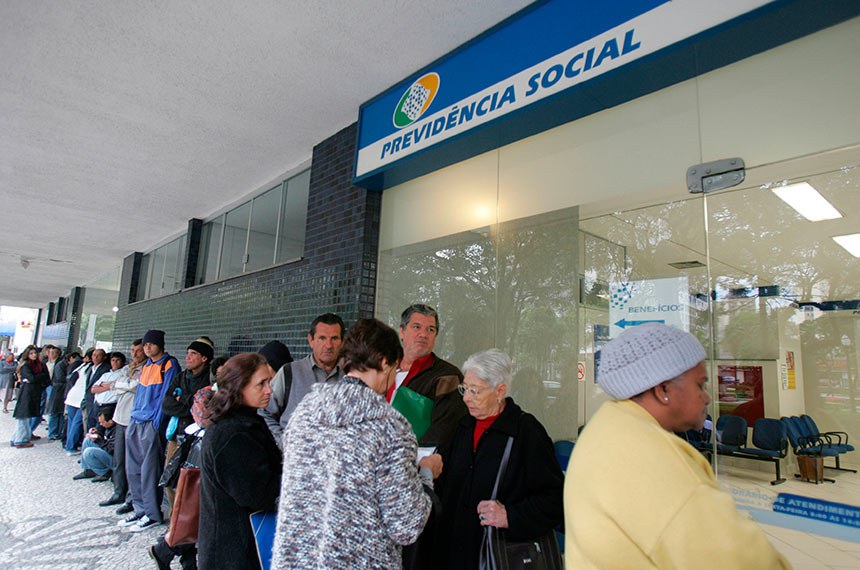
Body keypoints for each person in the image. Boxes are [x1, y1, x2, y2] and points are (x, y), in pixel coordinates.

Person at [564, 323, 790, 568]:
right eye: (700, 385)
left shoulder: (608, 426)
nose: (707, 397)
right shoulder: (654, 462)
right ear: (663, 389)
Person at [272, 318, 431, 569]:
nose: (394, 378)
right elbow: (406, 526)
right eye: (395, 369)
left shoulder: (304, 413)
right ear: (384, 362)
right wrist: (426, 476)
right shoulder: (390, 428)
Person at [433, 349, 564, 569]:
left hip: (501, 557)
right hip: (456, 555)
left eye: (475, 391)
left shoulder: (525, 432)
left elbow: (554, 499)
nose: (466, 398)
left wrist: (510, 516)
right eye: (464, 388)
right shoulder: (461, 428)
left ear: (499, 390)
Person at [195, 353, 282, 570]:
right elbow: (257, 495)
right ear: (238, 386)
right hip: (233, 552)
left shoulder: (246, 421)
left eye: (269, 382)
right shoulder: (232, 434)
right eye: (261, 384)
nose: (269, 390)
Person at [119, 329, 180, 533]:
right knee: (133, 468)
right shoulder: (146, 365)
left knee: (149, 471)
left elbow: (165, 396)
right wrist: (133, 418)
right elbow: (139, 394)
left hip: (151, 423)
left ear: (159, 345)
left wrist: (156, 423)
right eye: (145, 345)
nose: (147, 348)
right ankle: (140, 509)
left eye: (150, 344)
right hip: (136, 420)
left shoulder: (169, 364)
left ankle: (152, 513)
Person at [260, 313, 343, 448]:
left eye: (334, 338)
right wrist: (283, 444)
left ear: (342, 342)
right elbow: (264, 414)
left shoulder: (351, 377)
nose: (328, 345)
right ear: (311, 340)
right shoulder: (290, 372)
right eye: (322, 338)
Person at [105, 340, 145, 512]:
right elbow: (114, 386)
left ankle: (131, 498)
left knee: (132, 461)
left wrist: (122, 384)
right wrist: (124, 384)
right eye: (132, 350)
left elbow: (136, 386)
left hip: (132, 419)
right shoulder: (127, 368)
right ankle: (118, 492)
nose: (134, 354)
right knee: (119, 459)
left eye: (138, 350)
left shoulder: (146, 369)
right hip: (119, 417)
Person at [11, 347, 50, 448]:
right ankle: (21, 440)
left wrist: (36, 378)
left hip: (35, 393)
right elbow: (32, 378)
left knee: (27, 417)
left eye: (35, 353)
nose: (34, 355)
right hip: (27, 394)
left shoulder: (40, 365)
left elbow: (46, 379)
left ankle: (16, 438)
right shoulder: (26, 366)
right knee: (24, 416)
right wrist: (39, 376)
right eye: (31, 353)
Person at [72, 406, 117, 482]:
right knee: (87, 440)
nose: (101, 424)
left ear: (111, 421)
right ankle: (88, 469)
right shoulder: (108, 427)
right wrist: (97, 433)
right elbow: (105, 439)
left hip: (114, 458)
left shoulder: (117, 431)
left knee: (89, 452)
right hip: (107, 449)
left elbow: (110, 449)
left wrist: (98, 440)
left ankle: (105, 473)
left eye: (102, 422)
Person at [83, 348, 111, 431]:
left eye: (98, 356)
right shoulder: (91, 368)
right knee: (88, 423)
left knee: (96, 425)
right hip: (88, 400)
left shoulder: (106, 369)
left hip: (97, 400)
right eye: (94, 355)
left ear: (104, 357)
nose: (95, 357)